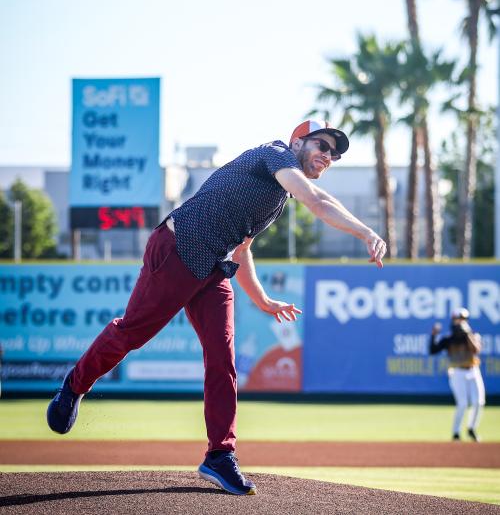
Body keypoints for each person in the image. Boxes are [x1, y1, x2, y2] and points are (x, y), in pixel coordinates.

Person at [47, 119, 387, 495]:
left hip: (213, 269)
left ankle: (220, 456)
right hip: (177, 250)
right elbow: (319, 202)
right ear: (297, 141)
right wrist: (367, 232)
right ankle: (73, 387)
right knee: (132, 333)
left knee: (223, 360)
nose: (327, 156)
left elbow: (243, 249)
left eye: (334, 155)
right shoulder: (272, 155)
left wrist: (262, 299)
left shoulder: (277, 196)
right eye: (322, 146)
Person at [430, 308, 485, 441]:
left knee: (479, 402)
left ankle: (471, 428)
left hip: (473, 370)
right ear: (453, 320)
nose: (460, 322)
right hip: (457, 372)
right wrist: (433, 336)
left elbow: (476, 349)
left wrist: (467, 334)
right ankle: (456, 432)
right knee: (462, 404)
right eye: (458, 319)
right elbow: (433, 350)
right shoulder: (449, 339)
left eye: (463, 320)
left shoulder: (471, 336)